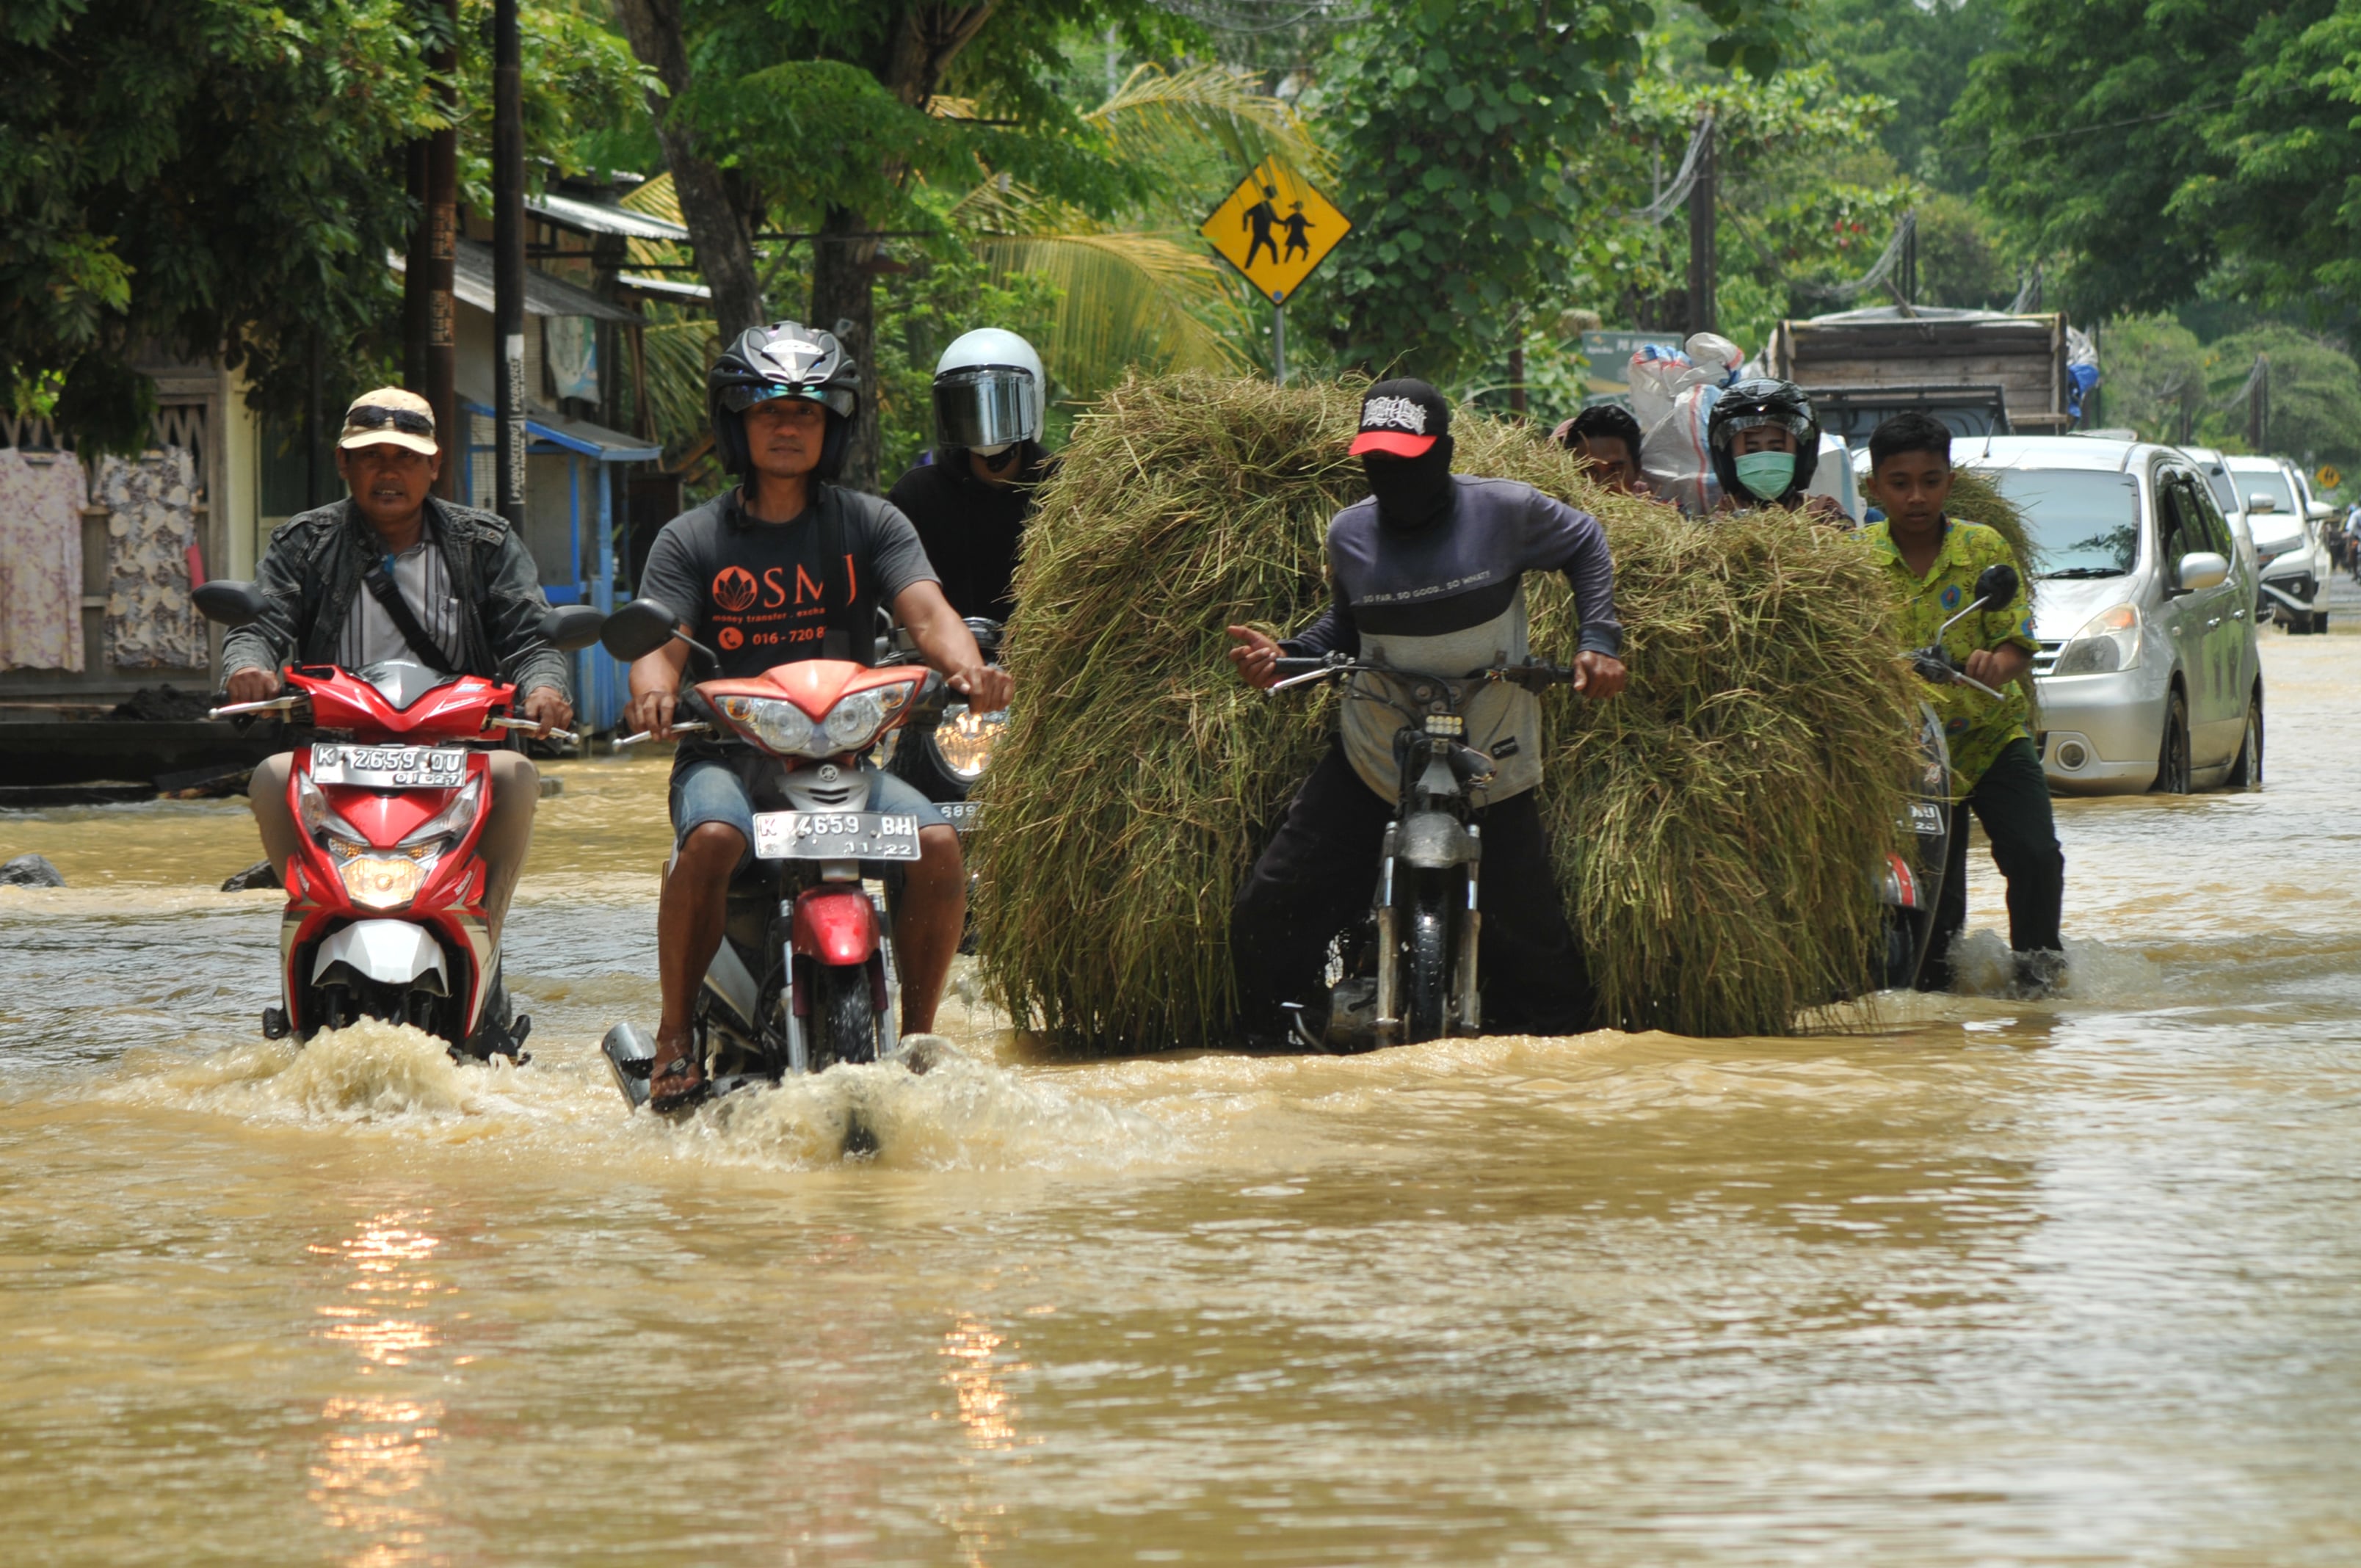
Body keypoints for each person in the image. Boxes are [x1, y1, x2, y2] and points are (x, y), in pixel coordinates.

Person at [628, 322, 1012, 1109]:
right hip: (726, 760)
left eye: (807, 411)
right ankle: (673, 1035)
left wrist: (966, 666)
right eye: (768, 410)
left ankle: (918, 1039)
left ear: (832, 427)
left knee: (938, 839)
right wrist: (655, 687)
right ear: (737, 423)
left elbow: (926, 611)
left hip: (842, 760)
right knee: (709, 840)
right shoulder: (690, 537)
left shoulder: (872, 524)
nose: (788, 425)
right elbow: (659, 638)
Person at [1225, 378, 1628, 1042]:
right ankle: (1285, 1051)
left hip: (1489, 755)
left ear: (1442, 453)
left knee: (1540, 963)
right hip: (1377, 754)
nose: (1391, 476)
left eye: (1407, 461)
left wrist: (1597, 643)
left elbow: (1587, 542)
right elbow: (1347, 632)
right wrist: (1287, 656)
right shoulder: (1350, 535)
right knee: (1269, 913)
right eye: (1376, 462)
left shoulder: (1505, 511)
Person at [223, 387, 570, 968]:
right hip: (337, 751)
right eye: (372, 456)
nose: (389, 472)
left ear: (434, 466)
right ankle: (308, 926)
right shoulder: (304, 543)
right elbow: (261, 623)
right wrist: (248, 669)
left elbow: (530, 638)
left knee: (517, 776)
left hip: (458, 750)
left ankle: (482, 934)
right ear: (344, 463)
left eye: (406, 457)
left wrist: (544, 689)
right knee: (268, 778)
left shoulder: (486, 544)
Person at [1863, 410, 2064, 995]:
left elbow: (2017, 642)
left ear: (1950, 482)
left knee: (2035, 856)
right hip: (1912, 756)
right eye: (1899, 484)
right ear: (1875, 488)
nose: (1916, 496)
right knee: (1933, 898)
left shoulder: (1984, 548)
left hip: (1993, 738)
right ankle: (1935, 1003)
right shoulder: (1856, 559)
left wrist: (1993, 665)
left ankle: (2039, 980)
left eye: (1930, 480)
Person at [887, 328, 1051, 624]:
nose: (985, 422)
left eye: (1001, 405)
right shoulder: (917, 496)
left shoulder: (1065, 486)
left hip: (1050, 663)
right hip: (942, 666)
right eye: (969, 407)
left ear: (1032, 400)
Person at [1706, 377, 1849, 525]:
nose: (1764, 459)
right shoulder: (1720, 525)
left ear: (1801, 455)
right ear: (1729, 459)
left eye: (1776, 449)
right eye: (1752, 450)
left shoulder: (1824, 515)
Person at [1551, 403, 1650, 496]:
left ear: (1636, 469)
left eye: (1613, 470)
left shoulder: (1656, 510)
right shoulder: (1553, 511)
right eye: (1587, 471)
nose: (1601, 485)